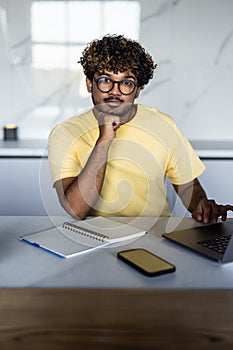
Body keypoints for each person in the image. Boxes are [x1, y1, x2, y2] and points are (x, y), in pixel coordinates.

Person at [48, 34, 233, 223]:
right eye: (105, 80)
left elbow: (187, 186)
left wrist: (201, 203)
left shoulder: (163, 125)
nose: (115, 91)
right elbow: (77, 209)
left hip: (156, 235)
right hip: (95, 238)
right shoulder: (64, 133)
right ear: (89, 83)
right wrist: (104, 140)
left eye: (127, 83)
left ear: (138, 89)